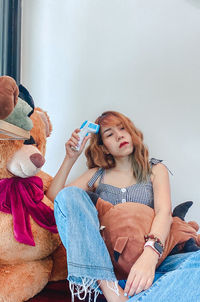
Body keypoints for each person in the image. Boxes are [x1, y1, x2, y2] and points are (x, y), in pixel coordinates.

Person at [46, 111, 199, 302]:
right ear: (105, 148)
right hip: (108, 269)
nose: (119, 135)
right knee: (70, 196)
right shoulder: (96, 175)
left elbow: (164, 212)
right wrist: (70, 158)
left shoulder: (155, 170)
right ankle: (111, 289)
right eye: (109, 134)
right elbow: (57, 201)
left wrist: (149, 258)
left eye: (122, 128)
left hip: (155, 262)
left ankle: (133, 294)